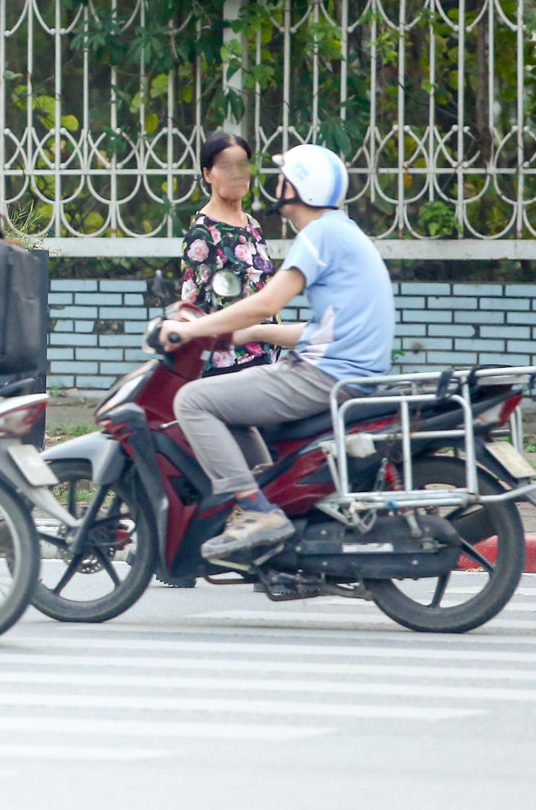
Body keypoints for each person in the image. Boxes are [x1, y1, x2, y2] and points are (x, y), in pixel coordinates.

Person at [158, 143, 394, 561]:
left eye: (286, 178)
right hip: (351, 373)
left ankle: (253, 510)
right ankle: (268, 499)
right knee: (230, 407)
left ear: (301, 187)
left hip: (325, 376)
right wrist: (245, 334)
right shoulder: (343, 232)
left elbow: (266, 302)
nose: (276, 184)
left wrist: (193, 329)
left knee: (193, 400)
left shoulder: (319, 234)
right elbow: (316, 329)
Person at [181, 131, 277, 376]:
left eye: (242, 165)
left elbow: (263, 287)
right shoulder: (202, 233)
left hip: (266, 355)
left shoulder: (252, 225)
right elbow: (193, 307)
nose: (237, 174)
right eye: (226, 166)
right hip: (227, 362)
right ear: (208, 174)